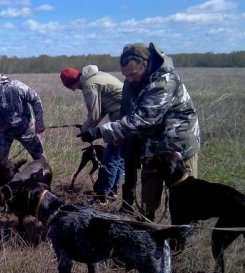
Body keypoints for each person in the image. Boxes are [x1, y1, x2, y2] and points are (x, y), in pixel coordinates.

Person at [78, 42, 200, 221]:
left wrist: (99, 132)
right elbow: (127, 111)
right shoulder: (131, 81)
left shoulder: (164, 82)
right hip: (152, 145)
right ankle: (148, 227)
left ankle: (184, 235)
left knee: (183, 195)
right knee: (149, 191)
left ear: (146, 63)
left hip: (178, 144)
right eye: (125, 75)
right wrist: (121, 135)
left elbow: (141, 119)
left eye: (133, 74)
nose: (129, 79)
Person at [60, 65, 124, 204]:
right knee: (119, 156)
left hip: (122, 117)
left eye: (71, 87)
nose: (73, 90)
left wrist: (85, 131)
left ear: (71, 84)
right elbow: (101, 110)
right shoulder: (95, 76)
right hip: (128, 114)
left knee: (111, 156)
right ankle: (112, 191)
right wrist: (86, 127)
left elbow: (94, 116)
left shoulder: (89, 86)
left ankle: (103, 195)